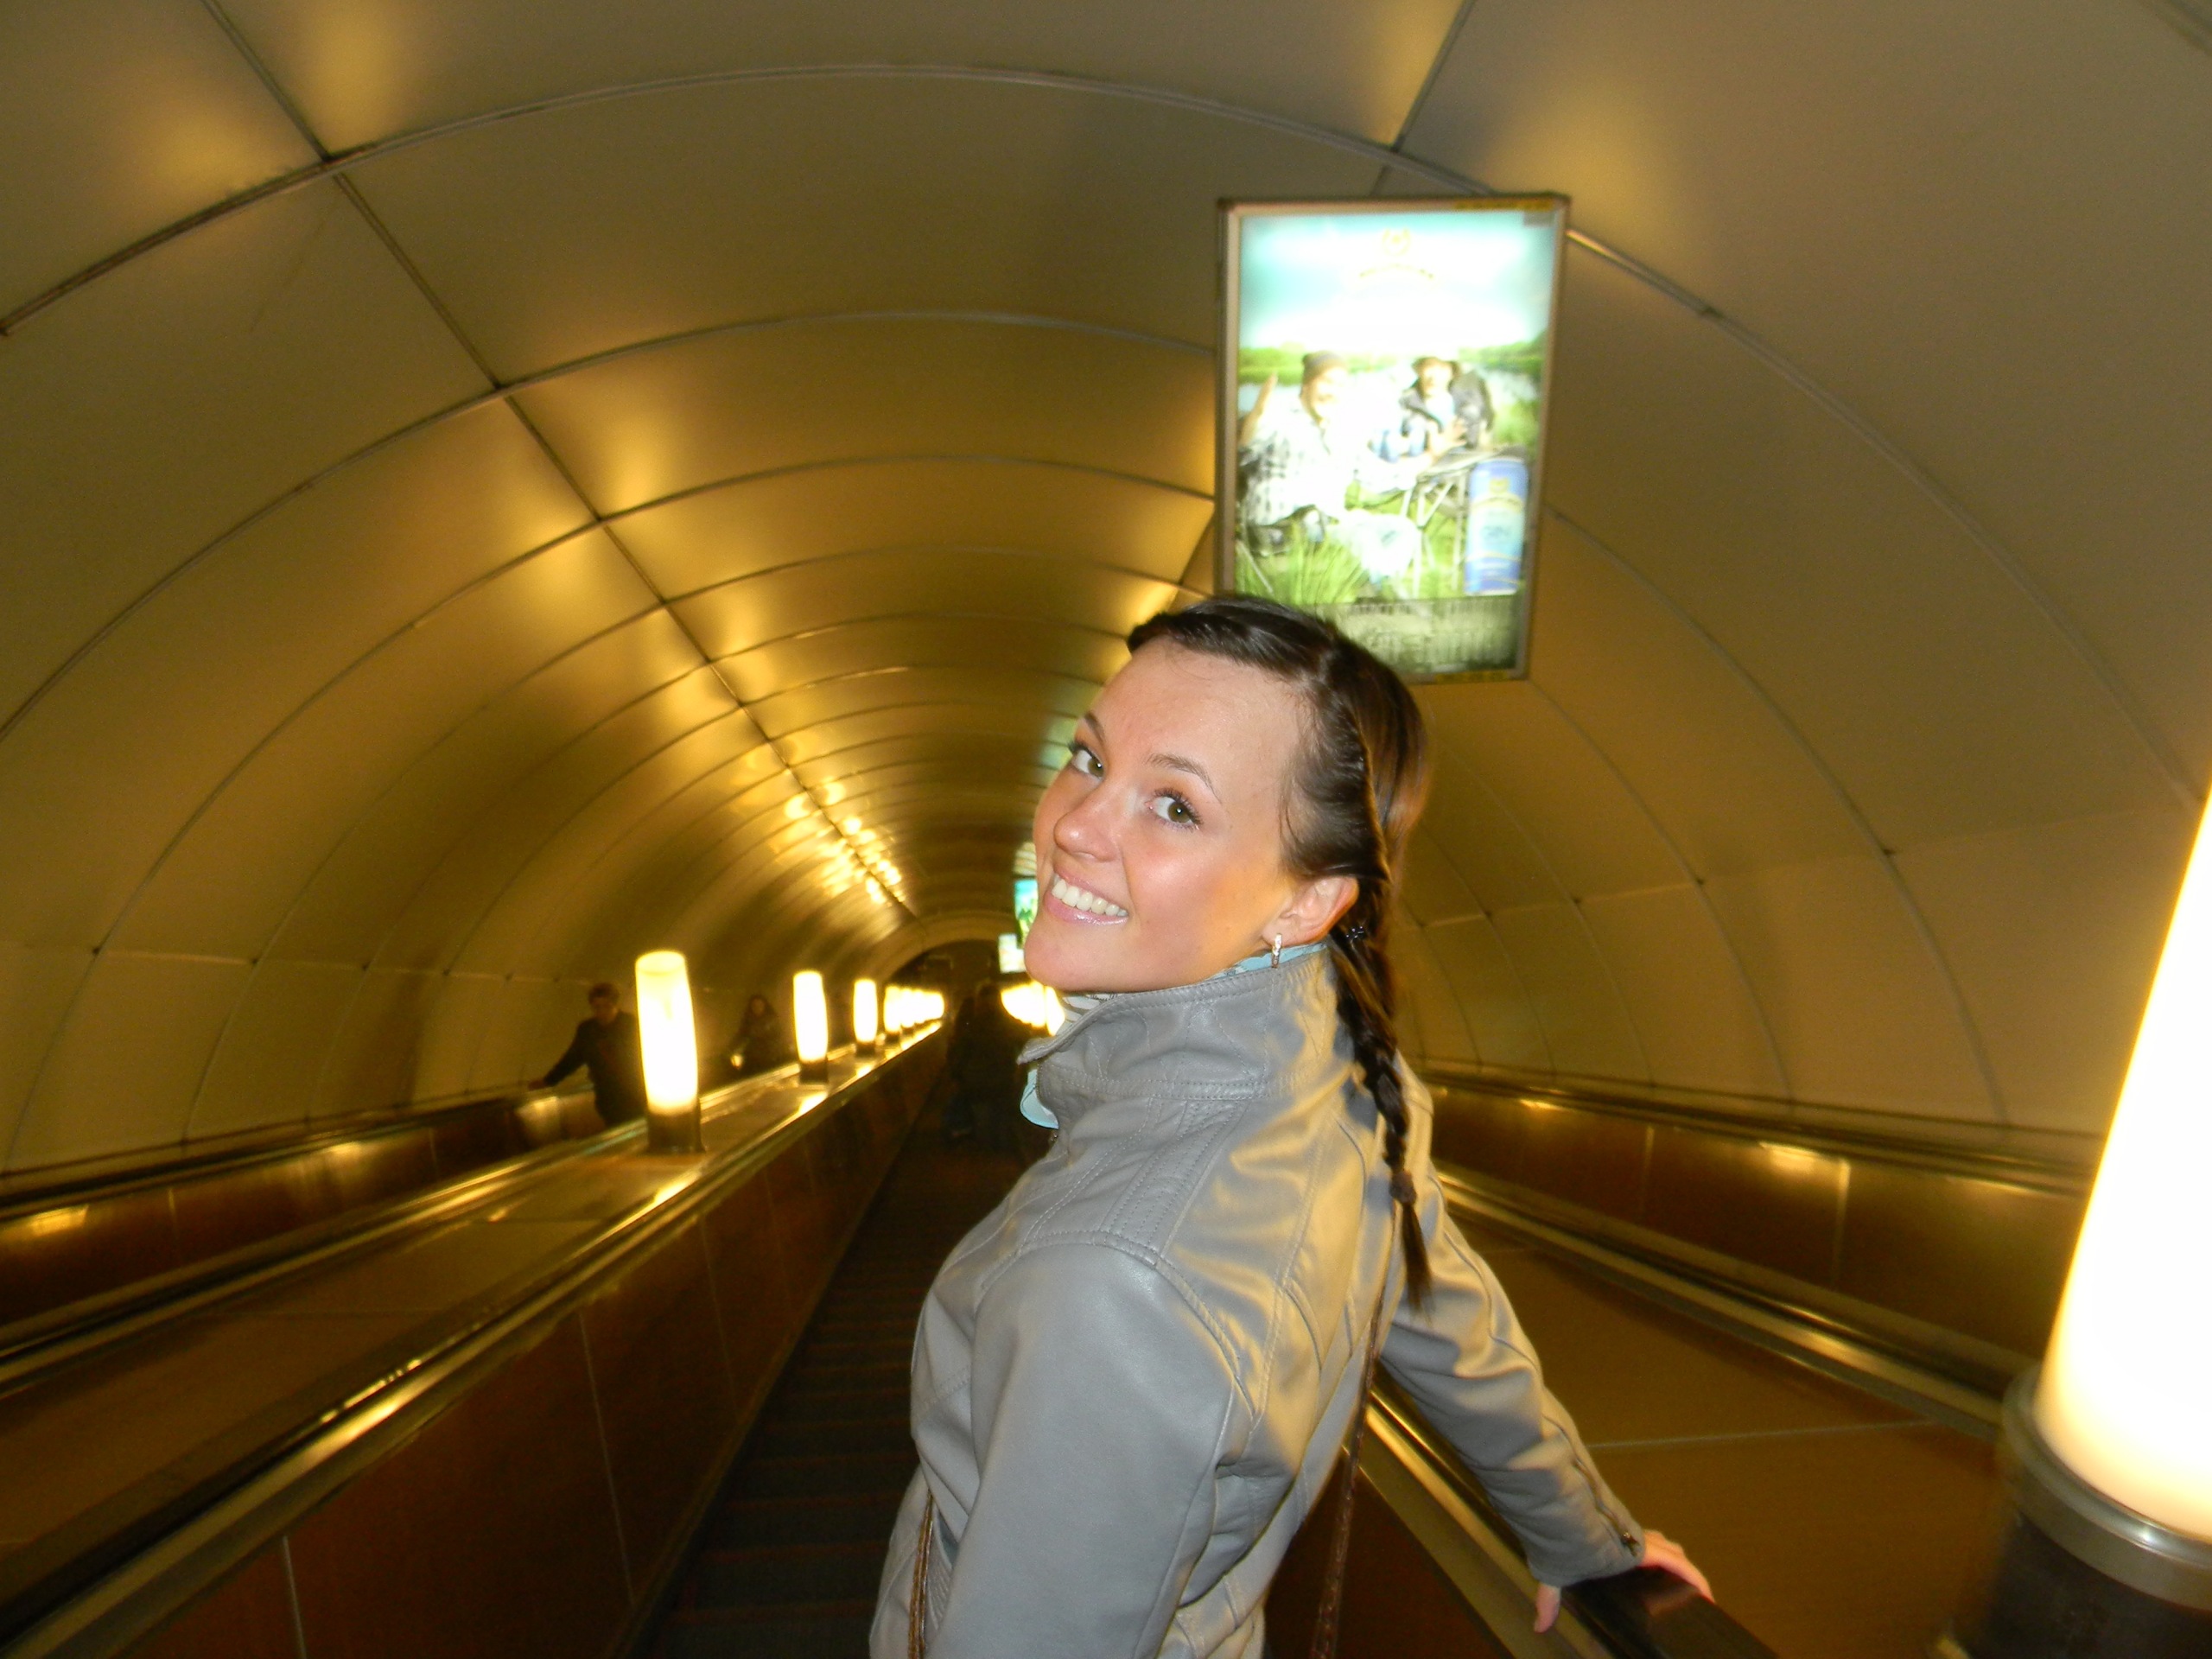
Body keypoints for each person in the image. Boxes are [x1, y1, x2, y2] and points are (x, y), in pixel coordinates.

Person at [873, 596, 1707, 1657]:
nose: (1074, 826)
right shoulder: (1341, 1073)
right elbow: (1440, 1311)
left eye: (1174, 806)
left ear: (1304, 905)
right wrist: (1580, 1534)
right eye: (1089, 759)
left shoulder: (1120, 1285)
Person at [1236, 352, 1432, 585]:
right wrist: (1255, 417)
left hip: (1329, 525)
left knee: (1402, 529)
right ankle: (1380, 592)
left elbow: (1379, 477)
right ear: (1307, 384)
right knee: (1361, 538)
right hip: (1280, 529)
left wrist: (1432, 455)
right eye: (1327, 382)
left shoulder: (1342, 431)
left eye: (1340, 385)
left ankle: (1377, 585)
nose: (1333, 392)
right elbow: (1242, 454)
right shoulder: (1278, 418)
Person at [531, 981, 647, 1125]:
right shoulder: (588, 1031)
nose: (602, 1012)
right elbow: (571, 1059)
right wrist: (548, 1081)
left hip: (634, 1094)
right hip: (607, 1098)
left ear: (616, 1005)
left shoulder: (630, 1025)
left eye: (607, 1006)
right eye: (597, 1007)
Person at [943, 975, 1032, 1153]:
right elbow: (1025, 1042)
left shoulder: (972, 1027)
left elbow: (960, 1054)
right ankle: (1002, 1152)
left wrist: (956, 1075)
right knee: (1002, 1117)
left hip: (977, 1082)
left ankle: (988, 1152)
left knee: (984, 1118)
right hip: (1004, 1079)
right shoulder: (1009, 1024)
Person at [729, 993, 792, 1076]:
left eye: (760, 1005)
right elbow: (741, 1039)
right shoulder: (747, 1023)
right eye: (754, 1006)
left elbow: (779, 1041)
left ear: (765, 1006)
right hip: (752, 1061)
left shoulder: (773, 1022)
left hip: (770, 1060)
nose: (757, 1008)